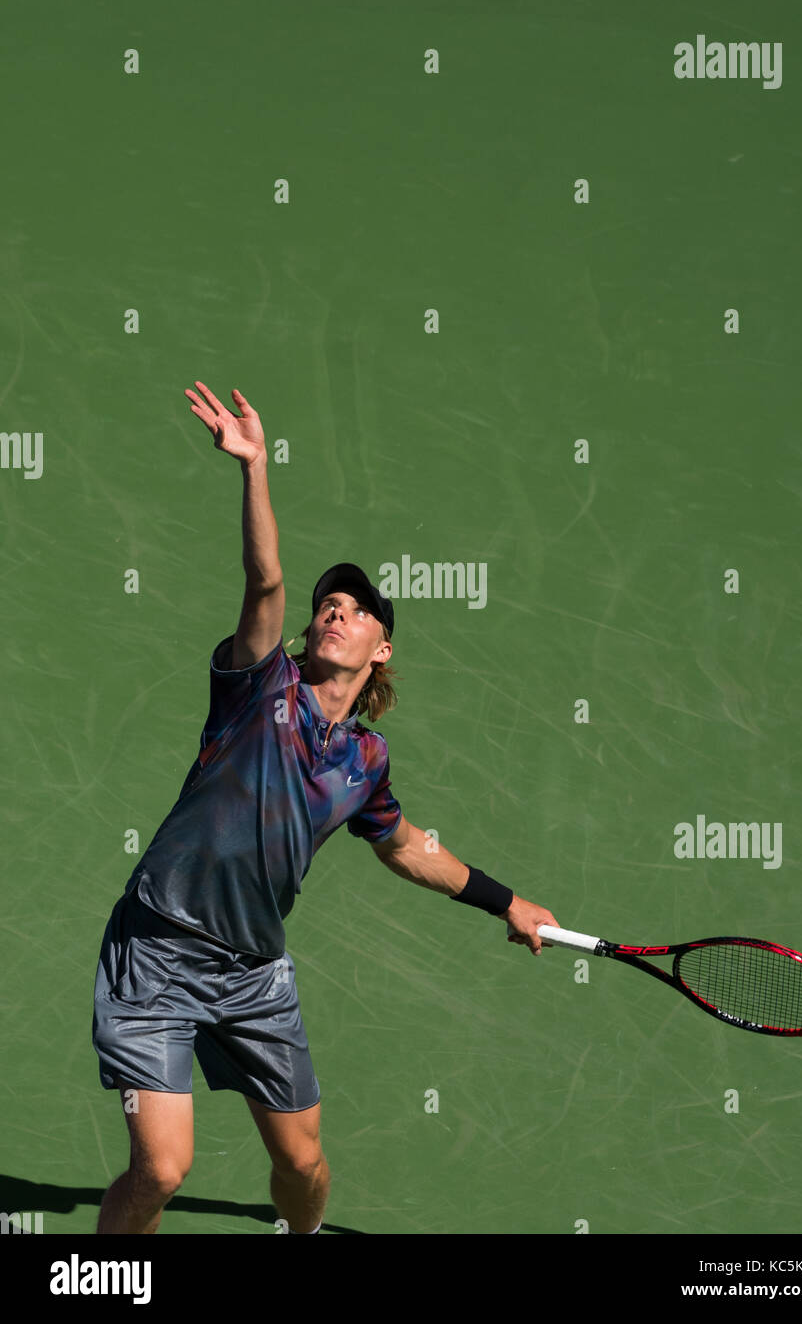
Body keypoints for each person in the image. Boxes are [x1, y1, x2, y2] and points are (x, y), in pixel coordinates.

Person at [92, 381, 559, 1235]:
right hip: (158, 945)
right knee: (161, 1167)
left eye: (355, 610)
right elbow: (264, 577)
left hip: (254, 972)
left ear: (382, 648)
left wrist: (507, 901)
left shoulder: (364, 761)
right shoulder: (256, 685)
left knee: (303, 1164)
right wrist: (254, 468)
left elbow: (406, 846)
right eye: (327, 607)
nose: (333, 613)